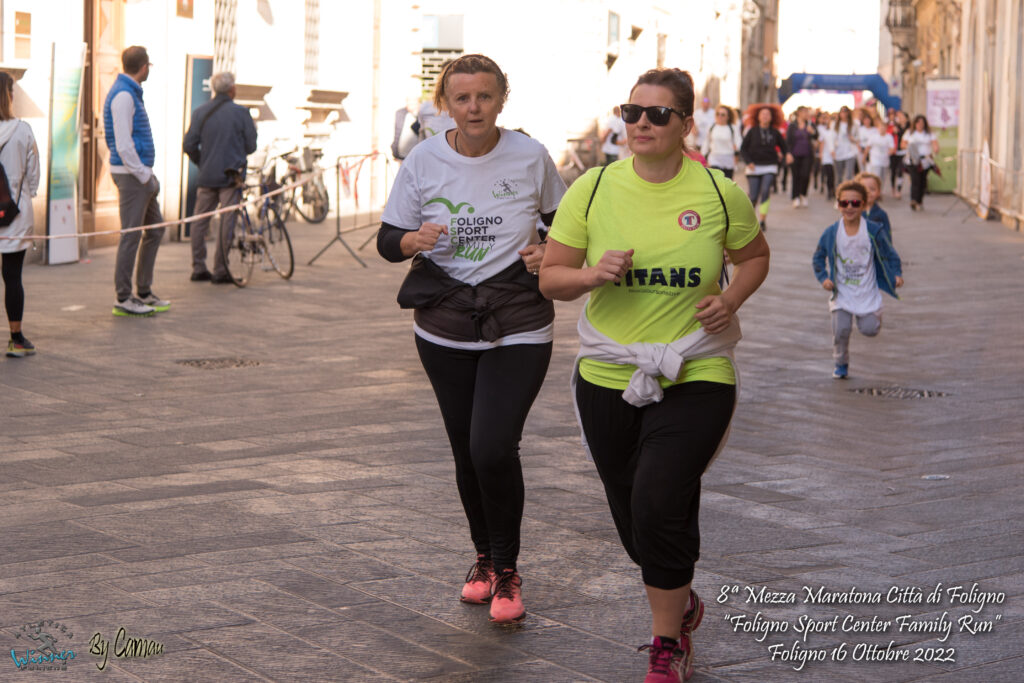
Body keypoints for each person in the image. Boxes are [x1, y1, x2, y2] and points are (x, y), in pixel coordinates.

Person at [539, 67, 769, 683]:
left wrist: (733, 298)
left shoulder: (720, 193)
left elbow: (753, 257)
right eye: (631, 111)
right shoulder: (591, 189)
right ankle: (680, 594)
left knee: (658, 493)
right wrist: (590, 275)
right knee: (635, 513)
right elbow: (551, 278)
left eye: (657, 114)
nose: (640, 123)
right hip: (611, 371)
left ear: (686, 124)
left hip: (698, 367)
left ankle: (667, 640)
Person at [376, 54, 565, 625]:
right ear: (446, 104)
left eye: (484, 96)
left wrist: (547, 251)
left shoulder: (531, 156)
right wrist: (414, 240)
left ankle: (507, 569)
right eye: (462, 98)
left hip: (520, 321)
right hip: (445, 325)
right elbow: (387, 241)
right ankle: (483, 560)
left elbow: (568, 226)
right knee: (465, 449)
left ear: (501, 99)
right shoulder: (423, 158)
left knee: (491, 446)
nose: (473, 107)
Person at [812, 180, 903, 379]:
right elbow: (818, 258)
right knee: (841, 331)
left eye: (855, 203)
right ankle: (840, 363)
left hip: (867, 292)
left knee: (870, 329)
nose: (850, 207)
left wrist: (896, 274)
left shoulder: (873, 230)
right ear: (838, 205)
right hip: (842, 293)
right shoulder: (831, 232)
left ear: (863, 204)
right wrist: (824, 278)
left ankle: (875, 315)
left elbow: (890, 254)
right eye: (844, 203)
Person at [104, 45, 167, 317]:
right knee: (131, 235)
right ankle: (123, 297)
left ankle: (143, 290)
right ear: (144, 67)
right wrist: (145, 176)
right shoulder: (123, 96)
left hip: (138, 175)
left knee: (155, 230)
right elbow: (123, 145)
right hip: (132, 176)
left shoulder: (128, 93)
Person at [182, 71, 258, 283]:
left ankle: (198, 267)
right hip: (230, 177)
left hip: (207, 175)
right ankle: (221, 269)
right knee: (227, 221)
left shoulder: (200, 112)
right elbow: (251, 146)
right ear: (232, 89)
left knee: (199, 222)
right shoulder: (241, 113)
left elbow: (189, 144)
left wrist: (203, 161)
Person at [0, 72, 40, 358]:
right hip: (14, 212)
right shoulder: (23, 130)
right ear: (9, 95)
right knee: (13, 276)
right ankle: (16, 339)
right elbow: (34, 175)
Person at [740, 105, 787, 231]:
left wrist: (787, 155)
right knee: (753, 196)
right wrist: (748, 162)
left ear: (772, 117)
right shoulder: (752, 131)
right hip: (754, 167)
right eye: (763, 114)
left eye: (768, 114)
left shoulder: (775, 133)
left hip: (770, 166)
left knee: (765, 190)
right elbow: (743, 149)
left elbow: (784, 146)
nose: (765, 116)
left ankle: (762, 220)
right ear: (758, 117)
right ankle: (750, 220)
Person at [901, 114, 939, 211]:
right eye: (918, 122)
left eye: (922, 123)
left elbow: (935, 143)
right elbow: (902, 144)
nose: (920, 124)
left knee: (922, 181)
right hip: (913, 160)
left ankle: (919, 200)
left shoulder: (929, 133)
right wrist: (910, 147)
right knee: (915, 180)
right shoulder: (909, 133)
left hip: (925, 161)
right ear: (915, 123)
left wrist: (935, 149)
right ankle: (914, 200)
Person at [700, 105, 742, 178]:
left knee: (726, 184)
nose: (720, 116)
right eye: (717, 114)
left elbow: (739, 141)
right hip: (714, 159)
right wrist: (703, 156)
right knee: (716, 182)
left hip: (728, 159)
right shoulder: (712, 127)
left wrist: (736, 148)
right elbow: (706, 142)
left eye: (723, 115)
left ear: (728, 117)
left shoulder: (732, 128)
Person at [786, 106, 814, 208]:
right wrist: (788, 153)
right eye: (804, 112)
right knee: (796, 176)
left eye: (807, 112)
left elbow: (817, 136)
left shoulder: (810, 124)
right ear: (799, 113)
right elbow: (788, 141)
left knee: (805, 175)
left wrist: (812, 132)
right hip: (795, 155)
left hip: (807, 155)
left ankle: (803, 194)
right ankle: (795, 197)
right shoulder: (792, 126)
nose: (806, 114)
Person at [855, 172, 893, 244]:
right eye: (863, 189)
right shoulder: (852, 212)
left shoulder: (881, 214)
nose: (868, 192)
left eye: (872, 189)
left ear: (879, 192)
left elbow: (887, 238)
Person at [833, 106, 858, 185]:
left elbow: (858, 137)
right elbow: (832, 138)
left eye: (845, 112)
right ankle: (839, 193)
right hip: (838, 152)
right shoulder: (835, 124)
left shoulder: (854, 124)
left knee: (849, 175)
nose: (844, 114)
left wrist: (853, 139)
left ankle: (848, 194)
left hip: (850, 151)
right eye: (842, 112)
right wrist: (832, 149)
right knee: (839, 175)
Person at [887, 110, 909, 198]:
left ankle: (899, 190)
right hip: (894, 151)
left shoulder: (909, 128)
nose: (900, 119)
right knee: (893, 171)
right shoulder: (894, 126)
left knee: (900, 171)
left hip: (903, 152)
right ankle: (893, 188)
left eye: (902, 117)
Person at [817, 112, 837, 200]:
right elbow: (821, 142)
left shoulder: (835, 131)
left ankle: (833, 189)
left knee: (834, 174)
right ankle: (829, 190)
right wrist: (821, 154)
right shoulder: (824, 131)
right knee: (829, 174)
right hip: (827, 155)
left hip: (836, 155)